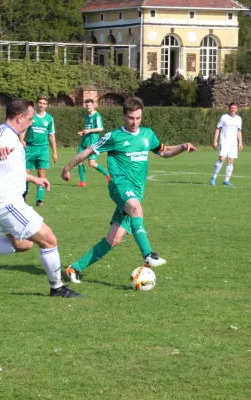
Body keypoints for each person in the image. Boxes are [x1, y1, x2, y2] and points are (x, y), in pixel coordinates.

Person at [0, 98, 81, 298]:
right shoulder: (2, 134)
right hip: (6, 202)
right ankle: (57, 288)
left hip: (4, 200)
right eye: (30, 119)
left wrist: (33, 178)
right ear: (20, 117)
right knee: (49, 240)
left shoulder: (12, 135)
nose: (31, 123)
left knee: (23, 244)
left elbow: (9, 169)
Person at [61, 97, 197, 283]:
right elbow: (88, 151)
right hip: (119, 185)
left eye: (138, 118)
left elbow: (163, 151)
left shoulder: (148, 135)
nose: (134, 122)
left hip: (136, 190)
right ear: (124, 116)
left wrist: (182, 147)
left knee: (114, 239)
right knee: (135, 208)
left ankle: (74, 269)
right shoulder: (114, 136)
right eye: (131, 118)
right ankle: (148, 254)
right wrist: (67, 167)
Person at [20, 95, 57, 206]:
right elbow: (23, 129)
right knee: (26, 173)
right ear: (37, 103)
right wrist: (21, 140)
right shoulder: (31, 115)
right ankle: (24, 195)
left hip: (43, 149)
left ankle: (39, 200)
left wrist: (54, 151)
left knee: (41, 173)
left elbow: (51, 135)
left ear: (46, 105)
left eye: (44, 103)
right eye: (40, 103)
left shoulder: (49, 118)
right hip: (29, 148)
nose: (42, 105)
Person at [76, 99, 110, 186]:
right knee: (79, 161)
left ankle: (108, 175)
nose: (88, 107)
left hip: (93, 143)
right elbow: (87, 129)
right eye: (87, 105)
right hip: (84, 142)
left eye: (90, 105)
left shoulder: (97, 116)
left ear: (93, 105)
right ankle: (83, 181)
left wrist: (89, 130)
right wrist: (83, 132)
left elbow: (100, 128)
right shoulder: (87, 116)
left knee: (92, 163)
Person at [210, 102, 243, 187]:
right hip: (224, 141)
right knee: (221, 159)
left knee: (231, 161)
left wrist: (240, 142)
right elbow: (218, 129)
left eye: (234, 108)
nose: (233, 109)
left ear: (237, 109)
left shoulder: (238, 119)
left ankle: (226, 180)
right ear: (229, 108)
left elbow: (239, 131)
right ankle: (213, 177)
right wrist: (215, 141)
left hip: (233, 142)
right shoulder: (224, 117)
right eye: (231, 108)